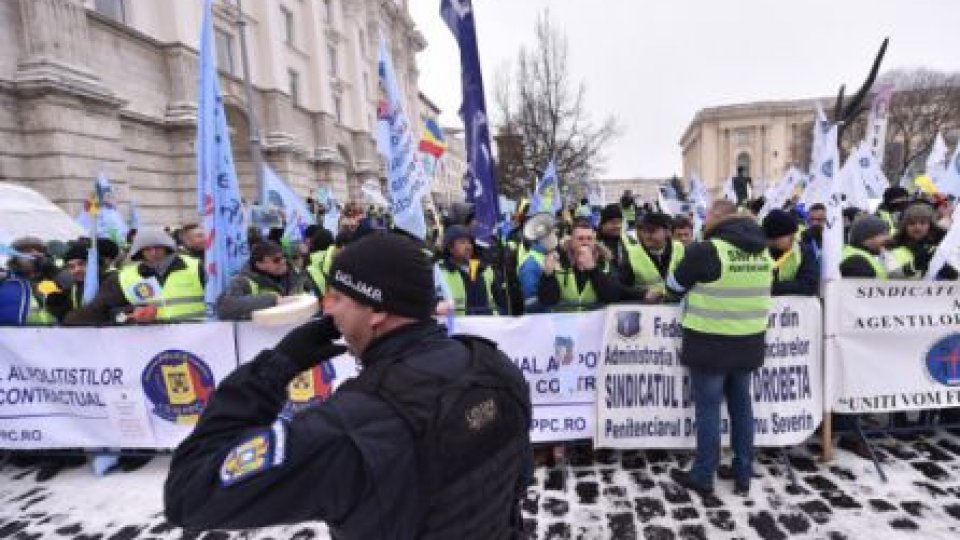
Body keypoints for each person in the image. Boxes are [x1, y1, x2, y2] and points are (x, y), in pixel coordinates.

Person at [164, 232, 533, 538]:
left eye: (338, 298)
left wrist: (273, 371)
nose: (328, 311)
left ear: (377, 310)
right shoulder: (495, 367)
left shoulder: (351, 428)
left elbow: (189, 494)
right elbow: (516, 482)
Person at [666, 200, 772, 496]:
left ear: (717, 219)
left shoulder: (707, 250)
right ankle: (743, 471)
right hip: (749, 341)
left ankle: (703, 474)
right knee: (742, 408)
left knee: (709, 410)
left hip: (710, 343)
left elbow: (673, 286)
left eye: (708, 214)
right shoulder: (763, 251)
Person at [65, 228, 205, 325]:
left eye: (158, 247)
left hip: (195, 339)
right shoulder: (124, 276)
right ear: (140, 252)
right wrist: (129, 314)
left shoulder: (196, 267)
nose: (153, 253)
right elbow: (102, 310)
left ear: (167, 247)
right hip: (149, 344)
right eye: (147, 249)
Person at [537, 220, 628, 311]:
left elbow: (613, 296)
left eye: (589, 239)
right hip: (565, 320)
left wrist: (593, 269)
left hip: (595, 320)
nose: (585, 243)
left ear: (594, 242)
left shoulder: (604, 263)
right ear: (571, 241)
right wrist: (548, 275)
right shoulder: (559, 262)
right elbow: (548, 300)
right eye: (580, 239)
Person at [215, 241, 311, 320]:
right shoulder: (242, 281)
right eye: (276, 260)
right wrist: (273, 300)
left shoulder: (297, 275)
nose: (283, 262)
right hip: (260, 338)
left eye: (284, 257)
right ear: (259, 265)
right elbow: (225, 308)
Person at [46, 238, 120, 322]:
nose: (76, 270)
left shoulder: (112, 281)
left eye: (81, 264)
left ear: (94, 264)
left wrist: (69, 319)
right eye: (71, 267)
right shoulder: (73, 288)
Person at [437, 225, 501, 315]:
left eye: (470, 242)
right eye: (462, 242)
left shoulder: (484, 269)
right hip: (458, 327)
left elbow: (499, 301)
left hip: (488, 326)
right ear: (450, 248)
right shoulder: (440, 271)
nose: (468, 247)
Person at [888, 203, 956, 280]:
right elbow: (891, 275)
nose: (918, 227)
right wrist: (915, 265)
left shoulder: (943, 243)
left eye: (923, 223)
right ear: (905, 226)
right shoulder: (893, 244)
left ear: (930, 225)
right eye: (912, 223)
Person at [623, 212, 685, 293]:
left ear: (667, 232)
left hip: (676, 302)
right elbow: (622, 287)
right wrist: (643, 292)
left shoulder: (679, 248)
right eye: (644, 231)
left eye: (652, 231)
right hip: (642, 304)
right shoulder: (631, 253)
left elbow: (689, 280)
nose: (647, 236)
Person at [762, 210, 819, 296]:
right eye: (790, 235)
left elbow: (809, 285)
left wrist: (772, 288)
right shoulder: (757, 253)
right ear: (774, 237)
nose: (794, 239)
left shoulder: (803, 251)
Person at [6, 236, 61, 325]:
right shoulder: (7, 282)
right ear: (15, 256)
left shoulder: (53, 280)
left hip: (52, 334)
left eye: (38, 251)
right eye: (27, 251)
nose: (34, 254)